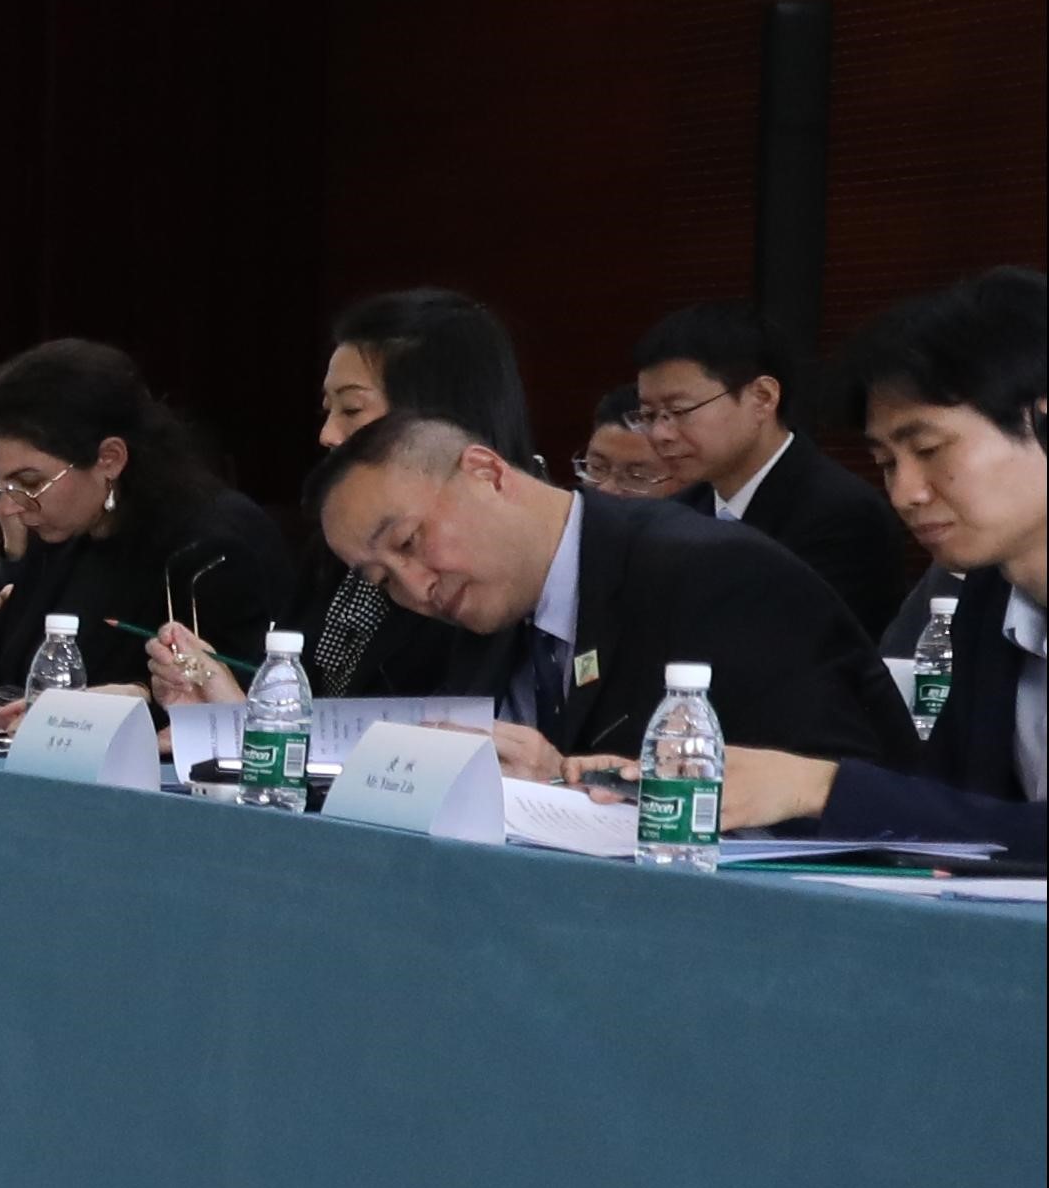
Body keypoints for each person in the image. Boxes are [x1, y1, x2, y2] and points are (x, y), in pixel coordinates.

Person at [305, 407, 900, 776]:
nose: (417, 587)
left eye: (409, 542)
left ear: (486, 473)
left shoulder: (717, 577)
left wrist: (570, 783)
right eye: (384, 582)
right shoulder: (479, 617)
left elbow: (838, 795)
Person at [720, 267, 1042, 858]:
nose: (905, 493)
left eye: (928, 450)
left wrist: (823, 790)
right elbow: (957, 812)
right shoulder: (983, 598)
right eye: (887, 463)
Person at [0, 338, 290, 703]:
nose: (9, 506)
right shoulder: (61, 531)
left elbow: (233, 706)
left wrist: (134, 699)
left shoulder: (212, 546)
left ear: (110, 458)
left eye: (29, 483)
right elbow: (2, 675)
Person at [269, 289, 535, 700]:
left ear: (433, 411)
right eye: (328, 410)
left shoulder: (500, 576)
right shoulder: (341, 537)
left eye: (352, 409)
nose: (328, 434)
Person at [605, 302, 922, 642]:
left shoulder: (842, 514)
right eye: (649, 415)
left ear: (762, 397)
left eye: (678, 411)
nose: (660, 434)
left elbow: (809, 647)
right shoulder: (679, 513)